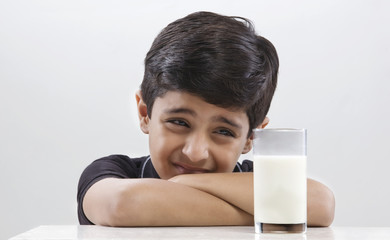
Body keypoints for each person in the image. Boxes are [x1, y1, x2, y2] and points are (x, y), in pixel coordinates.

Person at [77, 11, 335, 227]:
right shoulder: (115, 173)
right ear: (145, 113)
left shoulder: (249, 177)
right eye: (179, 122)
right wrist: (270, 211)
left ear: (251, 137)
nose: (195, 153)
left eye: (223, 132)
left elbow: (321, 204)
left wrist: (185, 182)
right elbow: (124, 204)